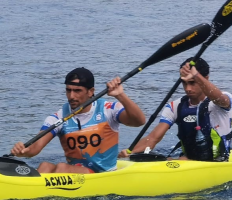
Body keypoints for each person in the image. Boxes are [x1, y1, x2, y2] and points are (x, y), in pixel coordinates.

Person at [10, 68, 146, 174]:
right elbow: (35, 148)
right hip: (75, 174)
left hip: (103, 174)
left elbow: (139, 121)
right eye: (68, 90)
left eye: (77, 91)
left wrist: (120, 95)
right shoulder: (58, 117)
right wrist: (23, 151)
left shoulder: (108, 109)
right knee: (45, 166)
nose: (71, 96)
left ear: (90, 91)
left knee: (62, 167)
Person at [121, 57, 232, 161]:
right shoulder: (175, 106)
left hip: (219, 161)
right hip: (187, 160)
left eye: (192, 82)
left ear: (206, 79)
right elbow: (153, 138)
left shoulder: (221, 100)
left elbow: (221, 99)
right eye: (184, 83)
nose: (188, 89)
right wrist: (130, 152)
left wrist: (196, 76)